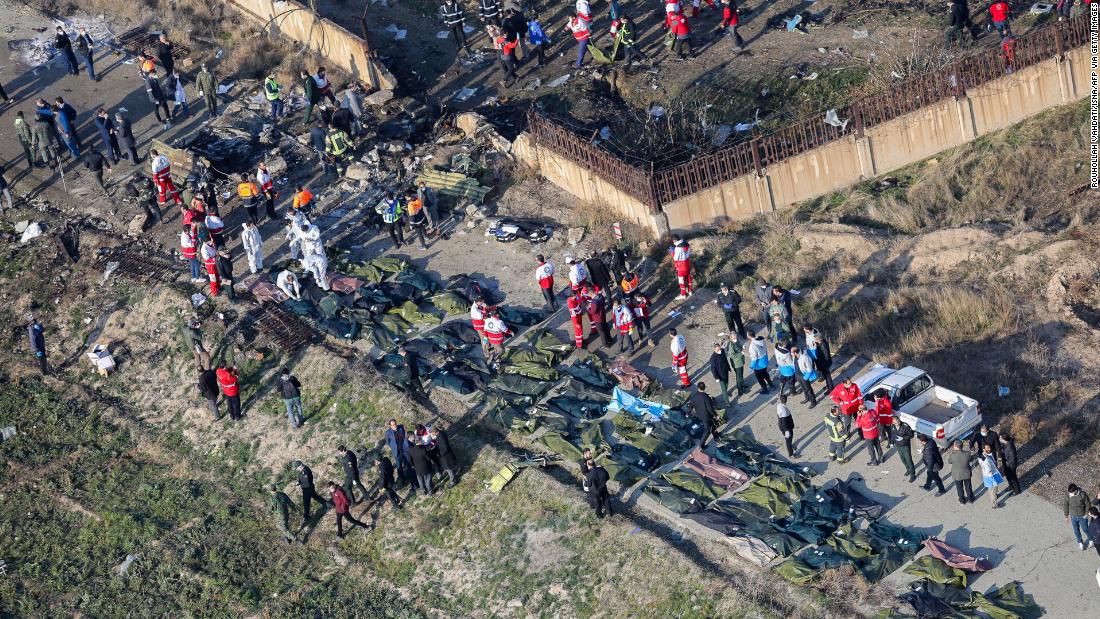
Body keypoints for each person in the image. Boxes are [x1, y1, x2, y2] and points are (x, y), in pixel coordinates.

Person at [829, 377, 862, 442]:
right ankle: (847, 435)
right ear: (844, 383)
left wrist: (860, 404)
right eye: (848, 383)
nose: (850, 384)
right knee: (847, 423)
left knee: (858, 421)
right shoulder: (838, 388)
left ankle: (861, 434)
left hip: (855, 407)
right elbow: (832, 396)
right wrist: (839, 402)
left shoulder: (854, 386)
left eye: (850, 382)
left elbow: (859, 395)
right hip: (846, 409)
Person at [690, 382, 721, 446]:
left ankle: (716, 436)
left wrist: (688, 413)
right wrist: (715, 415)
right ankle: (701, 444)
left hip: (700, 415)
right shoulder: (706, 397)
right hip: (706, 417)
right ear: (704, 388)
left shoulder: (694, 396)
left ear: (698, 388)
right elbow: (710, 409)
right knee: (707, 431)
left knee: (712, 425)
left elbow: (690, 405)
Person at [1064, 483, 1093, 550]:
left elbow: (1088, 504)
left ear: (1076, 491)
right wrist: (1066, 516)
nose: (1070, 494)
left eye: (1072, 492)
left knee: (1085, 529)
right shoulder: (1067, 495)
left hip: (1082, 516)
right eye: (1069, 492)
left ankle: (1091, 539)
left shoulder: (1082, 494)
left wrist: (1086, 514)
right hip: (1073, 516)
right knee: (1076, 530)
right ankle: (1080, 542)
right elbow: (1065, 505)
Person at [891, 418, 917, 482]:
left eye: (898, 422)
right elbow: (892, 434)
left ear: (899, 420)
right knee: (903, 460)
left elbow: (911, 435)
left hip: (905, 446)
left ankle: (913, 475)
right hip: (898, 446)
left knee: (909, 460)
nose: (897, 424)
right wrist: (891, 442)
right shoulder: (893, 426)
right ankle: (908, 470)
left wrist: (903, 438)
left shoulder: (905, 426)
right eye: (895, 423)